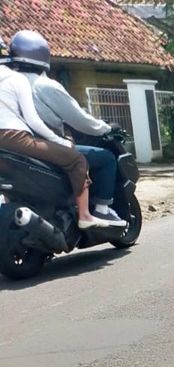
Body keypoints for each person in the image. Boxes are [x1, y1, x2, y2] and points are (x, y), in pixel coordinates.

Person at [6, 30, 123, 225]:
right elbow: (79, 119)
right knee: (105, 158)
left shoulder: (8, 84)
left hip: (16, 150)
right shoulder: (44, 86)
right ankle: (101, 210)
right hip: (44, 146)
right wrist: (105, 129)